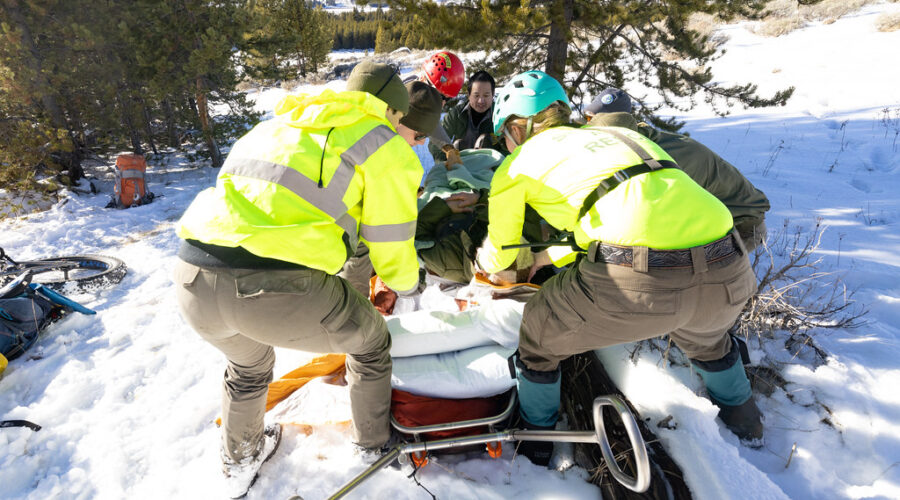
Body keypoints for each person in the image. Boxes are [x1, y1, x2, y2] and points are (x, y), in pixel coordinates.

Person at [173, 60, 440, 497]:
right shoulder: (383, 143)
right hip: (273, 286)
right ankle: (373, 447)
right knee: (371, 342)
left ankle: (240, 461)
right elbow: (390, 243)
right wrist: (411, 286)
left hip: (193, 279)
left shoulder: (278, 124)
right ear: (392, 111)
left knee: (248, 365)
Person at [475, 71, 763, 466]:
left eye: (505, 137)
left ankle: (534, 439)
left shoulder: (516, 166)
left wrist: (484, 262)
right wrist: (548, 257)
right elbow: (621, 213)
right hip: (728, 266)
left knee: (539, 333)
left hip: (638, 282)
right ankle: (747, 424)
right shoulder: (624, 138)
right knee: (709, 340)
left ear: (516, 129)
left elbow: (503, 256)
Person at [583, 88, 770, 251]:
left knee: (688, 278)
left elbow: (655, 212)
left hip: (742, 223)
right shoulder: (640, 139)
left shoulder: (655, 155)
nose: (588, 125)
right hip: (717, 215)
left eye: (595, 120)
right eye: (588, 117)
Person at [338, 79, 445, 298]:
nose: (422, 143)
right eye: (420, 135)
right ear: (401, 119)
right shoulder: (388, 155)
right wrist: (411, 285)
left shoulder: (358, 130)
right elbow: (386, 239)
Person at [429, 70, 508, 161]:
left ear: (493, 94)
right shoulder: (456, 114)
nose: (481, 101)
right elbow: (435, 143)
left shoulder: (501, 116)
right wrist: (447, 164)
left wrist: (495, 166)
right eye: (476, 95)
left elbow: (510, 149)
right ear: (469, 95)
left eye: (486, 96)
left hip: (490, 168)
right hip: (460, 166)